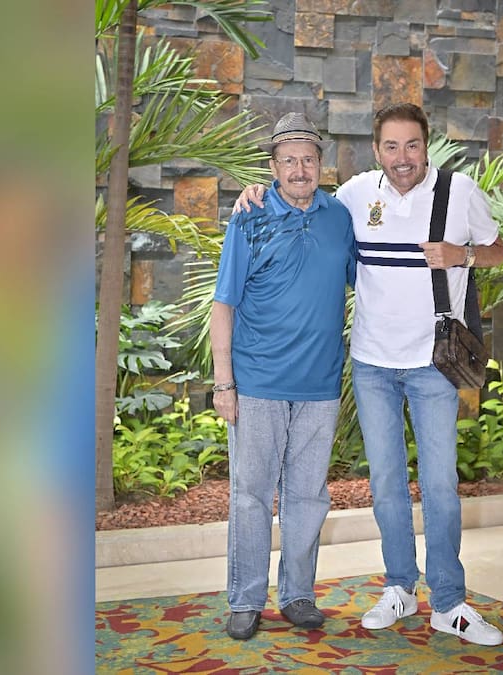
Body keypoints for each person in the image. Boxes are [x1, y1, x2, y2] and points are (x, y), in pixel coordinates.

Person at [235, 103, 503, 645]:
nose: (402, 157)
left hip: (434, 363)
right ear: (376, 150)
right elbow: (302, 198)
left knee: (440, 485)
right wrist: (255, 192)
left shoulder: (459, 192)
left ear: (426, 145)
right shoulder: (356, 195)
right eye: (391, 146)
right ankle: (400, 587)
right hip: (372, 365)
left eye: (412, 145)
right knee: (385, 484)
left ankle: (448, 601)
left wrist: (463, 254)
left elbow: (499, 251)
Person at [210, 112, 356, 641]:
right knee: (251, 494)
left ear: (321, 165)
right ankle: (246, 599)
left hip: (320, 384)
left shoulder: (340, 218)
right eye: (289, 160)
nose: (299, 170)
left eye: (308, 160)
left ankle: (297, 595)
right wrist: (223, 383)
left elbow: (369, 280)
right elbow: (223, 304)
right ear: (273, 168)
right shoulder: (249, 216)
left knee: (308, 495)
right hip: (257, 382)